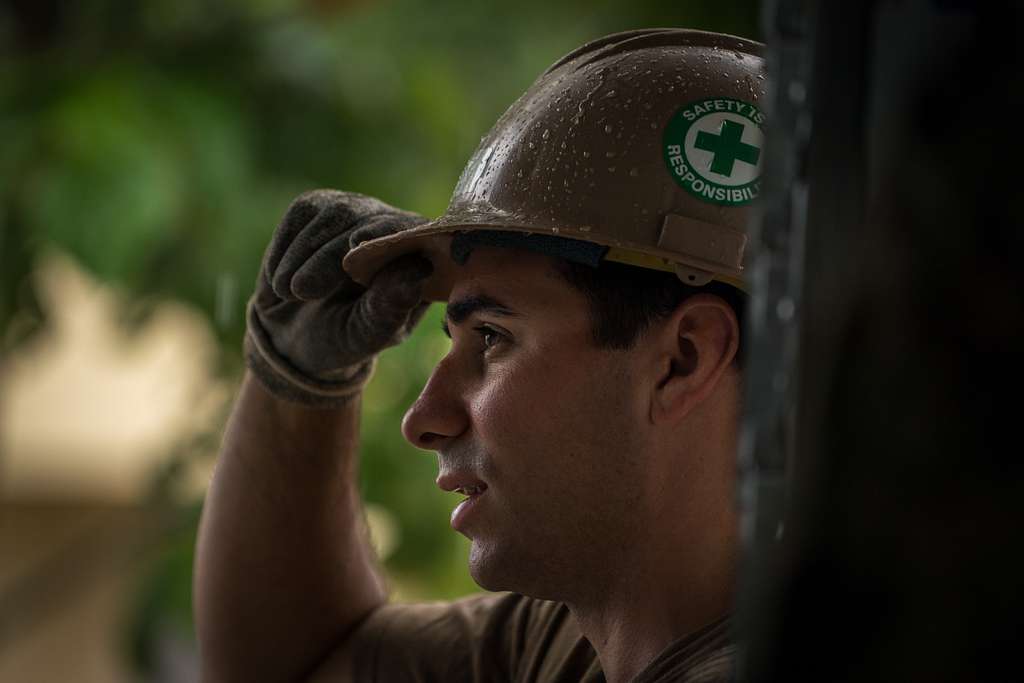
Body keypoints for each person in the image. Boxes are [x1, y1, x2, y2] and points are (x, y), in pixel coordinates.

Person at [195, 28, 766, 683]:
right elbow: (300, 664)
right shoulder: (569, 642)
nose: (424, 418)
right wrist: (298, 381)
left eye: (492, 338)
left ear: (684, 360)